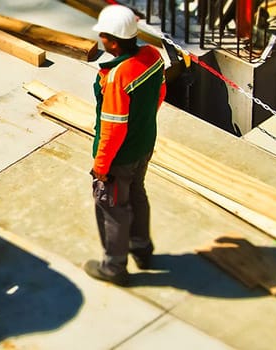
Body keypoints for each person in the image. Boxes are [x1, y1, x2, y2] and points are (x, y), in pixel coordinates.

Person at [84, 5, 167, 285]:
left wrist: (101, 165)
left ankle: (114, 268)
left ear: (113, 41)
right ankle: (142, 249)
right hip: (144, 145)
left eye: (103, 36)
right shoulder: (153, 57)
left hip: (120, 157)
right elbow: (160, 92)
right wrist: (142, 126)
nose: (101, 41)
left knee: (112, 207)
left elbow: (113, 127)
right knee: (137, 194)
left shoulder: (118, 74)